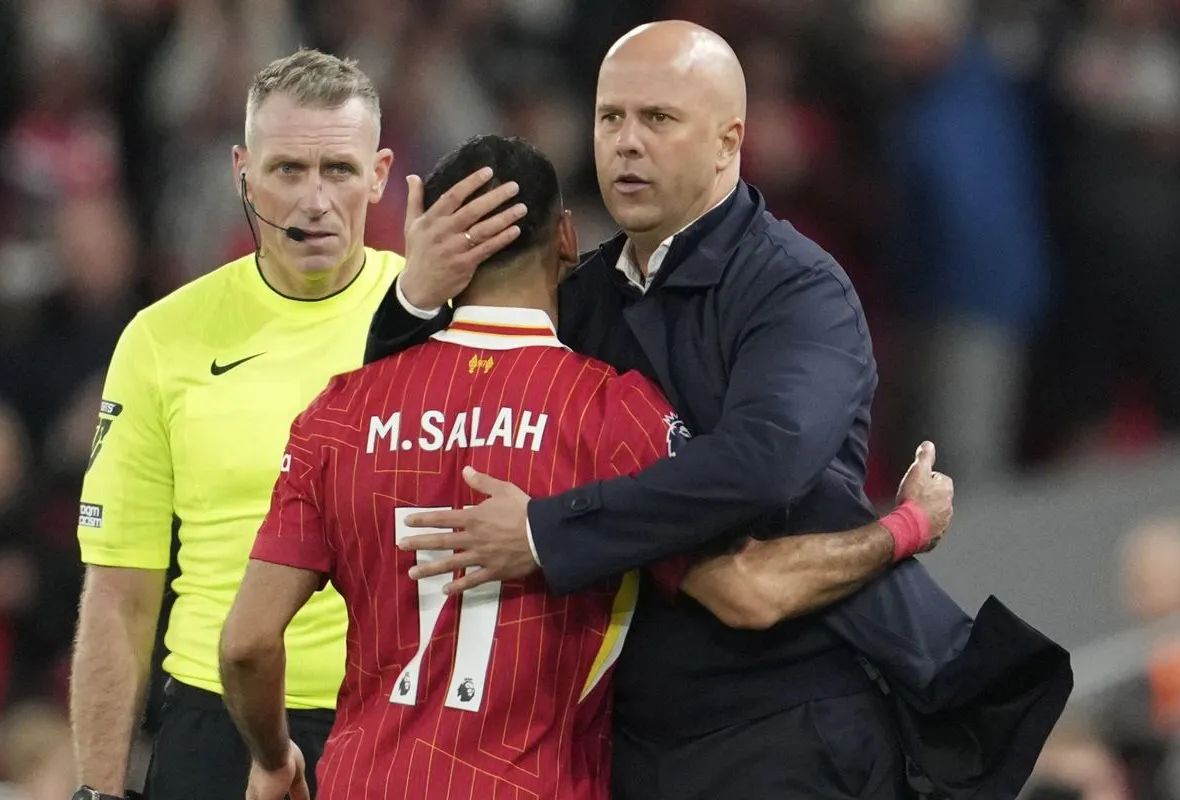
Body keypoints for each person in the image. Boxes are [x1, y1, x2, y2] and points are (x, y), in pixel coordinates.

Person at [367, 20, 1072, 800]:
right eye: (610, 118)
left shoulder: (798, 290)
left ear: (728, 140)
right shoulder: (582, 301)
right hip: (624, 738)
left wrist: (546, 531)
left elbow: (761, 463)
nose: (626, 143)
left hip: (788, 726)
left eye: (658, 118)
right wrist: (415, 297)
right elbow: (411, 427)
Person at [219, 134, 953, 800]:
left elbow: (247, 644)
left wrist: (274, 759)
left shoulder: (340, 411)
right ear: (567, 238)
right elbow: (750, 593)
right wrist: (908, 524)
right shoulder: (612, 414)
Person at [66, 49, 494, 800]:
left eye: (339, 170)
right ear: (243, 172)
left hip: (403, 725)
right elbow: (120, 591)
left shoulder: (450, 322)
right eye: (288, 170)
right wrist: (97, 791)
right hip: (215, 733)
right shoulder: (162, 339)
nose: (315, 200)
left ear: (381, 174)